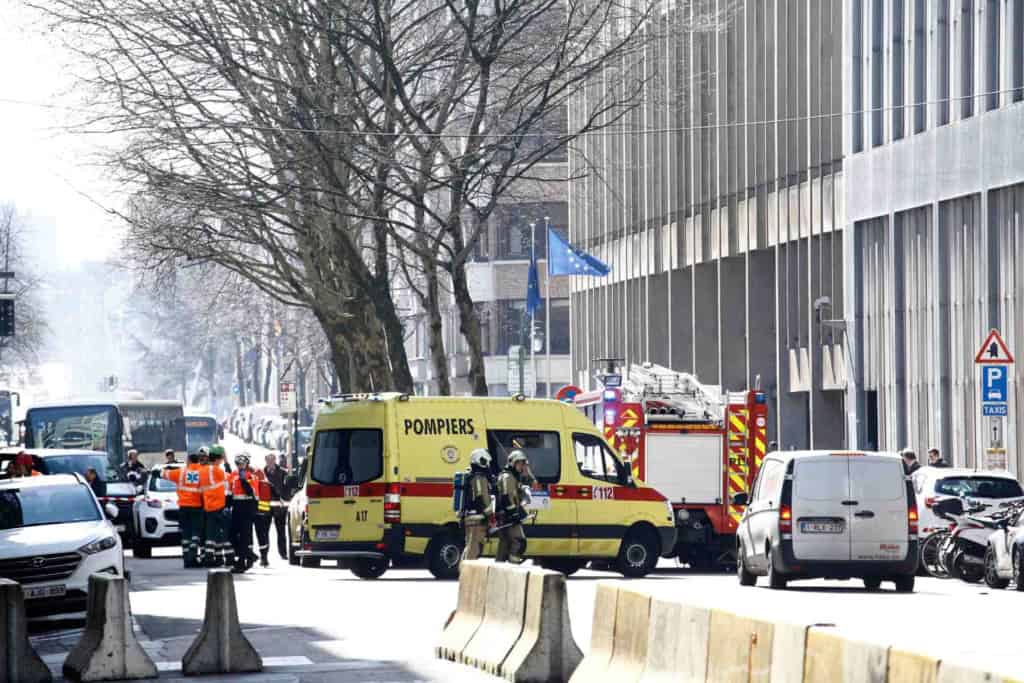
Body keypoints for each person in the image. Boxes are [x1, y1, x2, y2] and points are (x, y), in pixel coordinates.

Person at [161, 453, 205, 568]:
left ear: (189, 460)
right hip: (197, 506)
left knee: (185, 533)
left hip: (184, 507)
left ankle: (186, 559)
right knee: (196, 533)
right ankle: (193, 557)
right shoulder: (203, 472)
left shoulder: (180, 472)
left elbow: (162, 474)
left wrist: (166, 468)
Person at [495, 450, 530, 564]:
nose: (522, 466)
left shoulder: (512, 476)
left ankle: (499, 568)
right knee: (519, 541)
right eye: (520, 464)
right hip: (508, 516)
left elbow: (513, 494)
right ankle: (513, 566)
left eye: (523, 464)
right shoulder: (508, 477)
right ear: (513, 463)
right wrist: (514, 514)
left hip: (505, 515)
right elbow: (506, 497)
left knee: (505, 544)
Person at [461, 448, 495, 562]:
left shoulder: (471, 475)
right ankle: (467, 574)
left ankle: (464, 570)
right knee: (474, 548)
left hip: (470, 517)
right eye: (486, 461)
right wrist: (491, 516)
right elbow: (482, 497)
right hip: (477, 519)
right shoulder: (479, 477)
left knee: (469, 546)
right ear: (481, 460)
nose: (488, 465)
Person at [229, 454, 259, 573]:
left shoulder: (252, 477)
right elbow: (229, 491)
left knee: (244, 537)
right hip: (236, 507)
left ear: (247, 464)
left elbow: (250, 492)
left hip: (247, 507)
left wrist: (243, 480)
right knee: (231, 535)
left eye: (242, 463)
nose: (240, 466)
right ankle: (250, 555)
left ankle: (241, 562)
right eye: (238, 464)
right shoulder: (232, 475)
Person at [199, 448, 229, 567]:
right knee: (220, 535)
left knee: (210, 535)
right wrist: (227, 464)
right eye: (221, 459)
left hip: (208, 506)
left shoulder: (203, 471)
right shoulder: (217, 471)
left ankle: (209, 558)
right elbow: (230, 479)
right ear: (217, 459)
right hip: (219, 506)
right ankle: (219, 558)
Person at [262, 453, 289, 561]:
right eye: (268, 460)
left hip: (279, 506)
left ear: (275, 460)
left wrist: (284, 500)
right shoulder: (262, 474)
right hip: (265, 506)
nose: (270, 462)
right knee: (264, 532)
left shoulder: (283, 473)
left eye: (272, 460)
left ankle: (283, 553)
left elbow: (287, 488)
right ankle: (264, 555)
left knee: (281, 531)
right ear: (265, 461)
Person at [253, 464, 272, 567]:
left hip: (253, 513)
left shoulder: (253, 482)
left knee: (249, 535)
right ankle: (264, 558)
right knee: (263, 536)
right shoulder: (267, 484)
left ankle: (252, 556)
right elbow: (276, 495)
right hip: (264, 514)